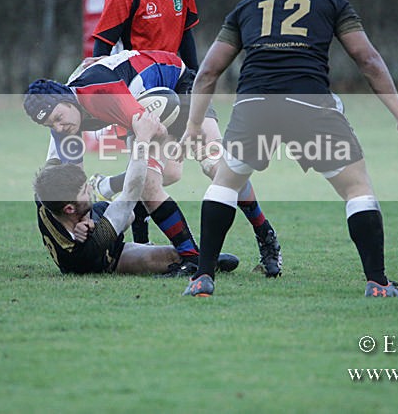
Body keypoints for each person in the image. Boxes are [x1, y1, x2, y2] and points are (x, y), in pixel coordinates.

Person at [181, 0, 398, 297]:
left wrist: (194, 125)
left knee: (224, 183)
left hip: (254, 106)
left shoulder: (248, 3)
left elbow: (207, 72)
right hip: (310, 106)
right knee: (356, 187)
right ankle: (378, 283)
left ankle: (202, 278)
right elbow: (368, 59)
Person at [23, 49, 282, 275]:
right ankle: (191, 259)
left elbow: (151, 128)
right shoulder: (64, 124)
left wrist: (182, 138)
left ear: (67, 98)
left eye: (58, 117)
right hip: (141, 102)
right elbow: (70, 182)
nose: (59, 126)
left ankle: (266, 235)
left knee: (215, 165)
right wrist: (82, 223)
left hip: (179, 82)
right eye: (50, 124)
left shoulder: (100, 93)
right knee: (148, 182)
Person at [90, 0, 199, 247]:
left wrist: (194, 78)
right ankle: (147, 244)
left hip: (178, 83)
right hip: (141, 90)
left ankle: (111, 187)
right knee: (151, 175)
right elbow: (102, 47)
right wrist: (108, 97)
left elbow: (187, 34)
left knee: (171, 172)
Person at [33, 112, 239, 276]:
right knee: (170, 257)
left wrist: (71, 98)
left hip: (88, 226)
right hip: (104, 260)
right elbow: (129, 198)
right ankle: (204, 259)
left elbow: (54, 150)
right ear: (69, 208)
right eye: (85, 191)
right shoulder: (91, 246)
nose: (89, 191)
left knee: (126, 211)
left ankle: (197, 256)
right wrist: (142, 138)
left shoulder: (45, 198)